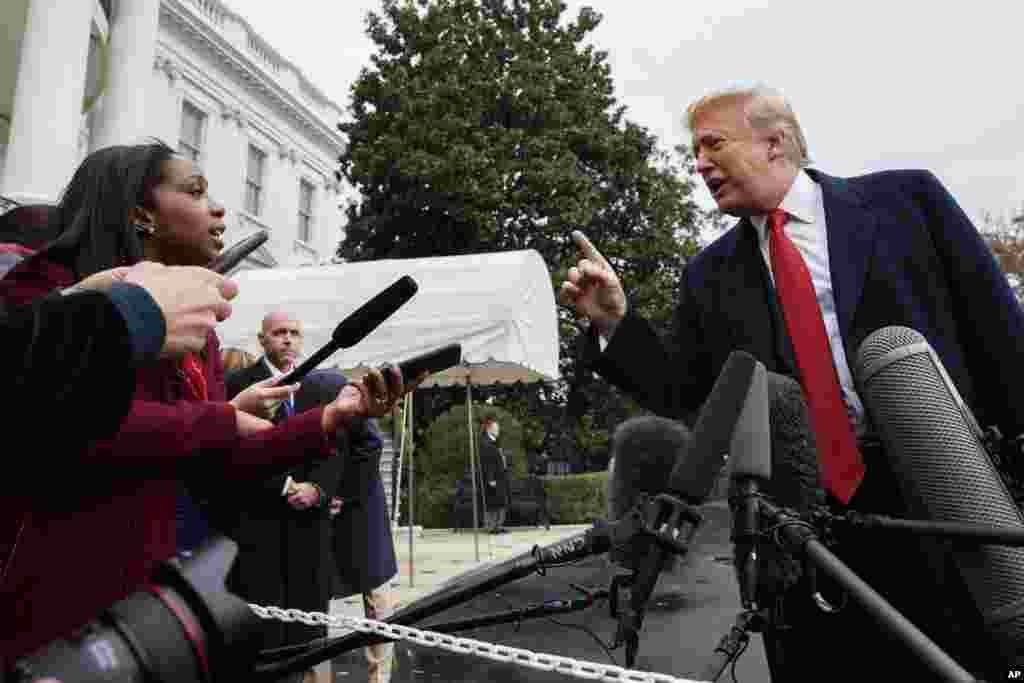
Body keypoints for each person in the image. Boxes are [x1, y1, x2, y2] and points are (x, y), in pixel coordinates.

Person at [559, 84, 1024, 680]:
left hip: (939, 504)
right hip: (804, 535)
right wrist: (615, 324)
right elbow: (686, 395)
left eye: (712, 144)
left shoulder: (908, 204)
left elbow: (1001, 338)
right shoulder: (709, 275)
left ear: (773, 142)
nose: (698, 163)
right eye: (693, 151)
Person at [0, 141, 409, 666]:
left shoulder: (201, 332)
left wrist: (332, 418)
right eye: (194, 192)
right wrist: (218, 417)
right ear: (140, 214)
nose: (218, 208)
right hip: (55, 603)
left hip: (163, 603)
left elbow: (216, 459)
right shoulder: (48, 287)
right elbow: (77, 427)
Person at [3, 260, 238, 446]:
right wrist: (128, 315)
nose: (217, 209)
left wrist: (74, 298)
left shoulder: (198, 327)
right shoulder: (38, 274)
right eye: (195, 195)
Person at [477, 414, 510, 533]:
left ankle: (498, 526)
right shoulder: (485, 442)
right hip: (493, 477)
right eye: (496, 428)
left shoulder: (494, 441)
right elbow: (487, 462)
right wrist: (490, 478)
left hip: (500, 476)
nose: (498, 430)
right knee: (492, 502)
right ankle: (491, 526)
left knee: (500, 501)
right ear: (489, 429)